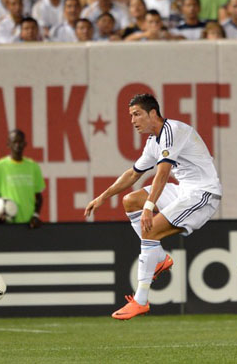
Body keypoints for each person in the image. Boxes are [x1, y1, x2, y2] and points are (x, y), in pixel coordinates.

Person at [84, 93, 222, 319]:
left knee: (151, 229)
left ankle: (141, 299)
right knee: (131, 201)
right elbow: (133, 174)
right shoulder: (153, 142)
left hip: (204, 193)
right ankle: (158, 256)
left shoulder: (172, 131)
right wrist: (102, 197)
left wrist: (149, 207)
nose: (132, 120)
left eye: (136, 114)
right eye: (130, 115)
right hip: (184, 190)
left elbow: (163, 172)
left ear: (153, 113)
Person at [0, 129, 45, 228]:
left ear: (25, 144)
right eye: (14, 142)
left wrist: (35, 215)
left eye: (20, 142)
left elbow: (39, 197)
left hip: (28, 225)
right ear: (8, 144)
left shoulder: (33, 166)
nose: (17, 145)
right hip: (7, 225)